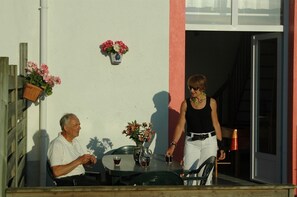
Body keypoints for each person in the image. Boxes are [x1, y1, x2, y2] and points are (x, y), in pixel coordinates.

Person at [166, 74, 225, 185]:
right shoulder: (185, 104)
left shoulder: (211, 102)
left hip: (209, 142)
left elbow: (216, 124)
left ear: (202, 88)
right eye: (190, 88)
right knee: (189, 175)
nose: (192, 90)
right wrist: (173, 145)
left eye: (195, 88)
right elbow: (180, 125)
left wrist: (221, 146)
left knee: (205, 176)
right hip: (192, 142)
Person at [47, 113, 99, 186]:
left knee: (108, 186)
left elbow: (79, 163)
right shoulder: (57, 144)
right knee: (108, 189)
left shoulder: (74, 141)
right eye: (76, 125)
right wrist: (79, 160)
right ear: (66, 128)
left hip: (80, 180)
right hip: (69, 183)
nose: (79, 128)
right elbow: (57, 172)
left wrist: (88, 161)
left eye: (79, 125)